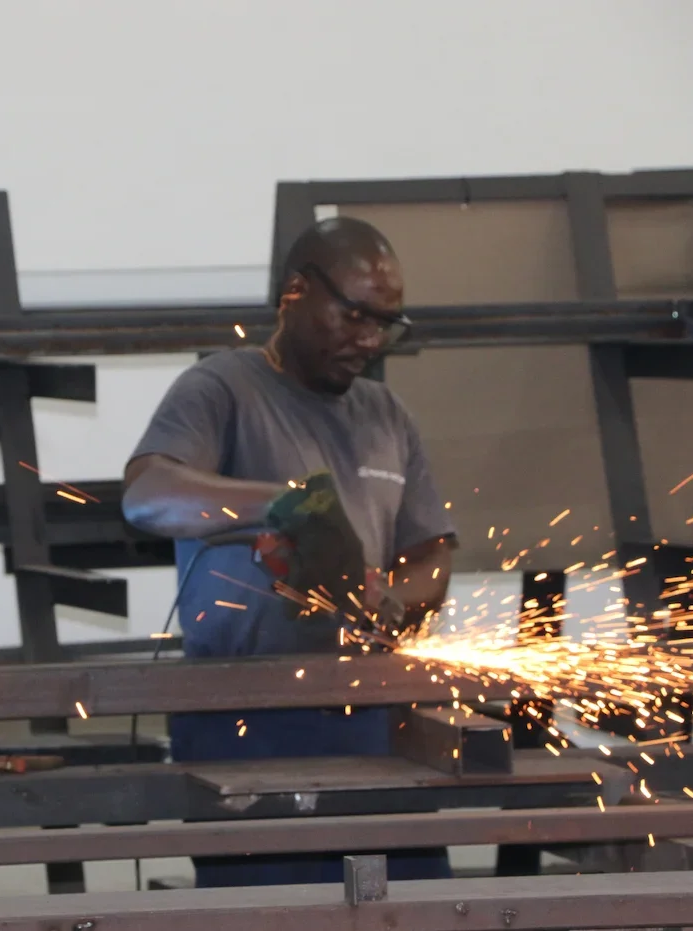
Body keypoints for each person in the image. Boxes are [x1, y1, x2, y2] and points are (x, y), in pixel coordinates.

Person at [122, 217, 457, 887]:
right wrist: (279, 504)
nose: (369, 340)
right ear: (295, 291)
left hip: (374, 721)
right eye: (354, 316)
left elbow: (430, 553)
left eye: (385, 324)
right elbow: (147, 495)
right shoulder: (220, 389)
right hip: (246, 721)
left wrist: (392, 599)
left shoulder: (387, 415)